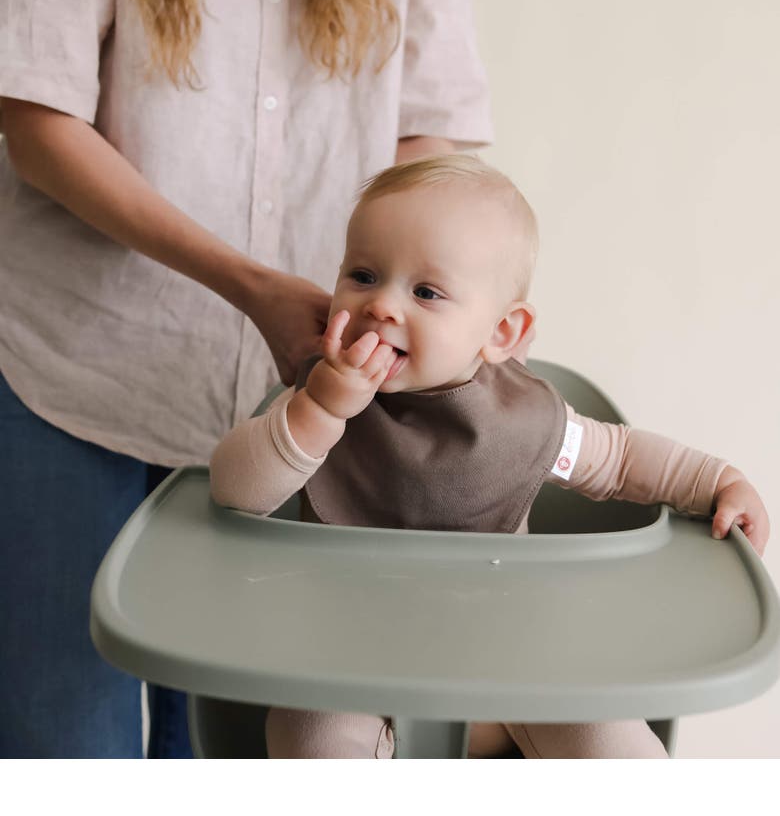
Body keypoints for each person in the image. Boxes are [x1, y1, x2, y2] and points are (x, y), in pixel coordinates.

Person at [0, 0, 494, 758]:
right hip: (75, 371)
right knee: (61, 741)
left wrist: (403, 297)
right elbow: (36, 122)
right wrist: (250, 283)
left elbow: (426, 138)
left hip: (295, 393)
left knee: (226, 748)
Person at [209, 153, 770, 759]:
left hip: (513, 659)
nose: (381, 307)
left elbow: (620, 460)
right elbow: (235, 490)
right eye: (364, 276)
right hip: (342, 654)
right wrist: (319, 411)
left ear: (501, 333)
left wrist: (716, 480)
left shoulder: (520, 423)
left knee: (622, 750)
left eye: (425, 292)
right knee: (310, 745)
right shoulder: (321, 393)